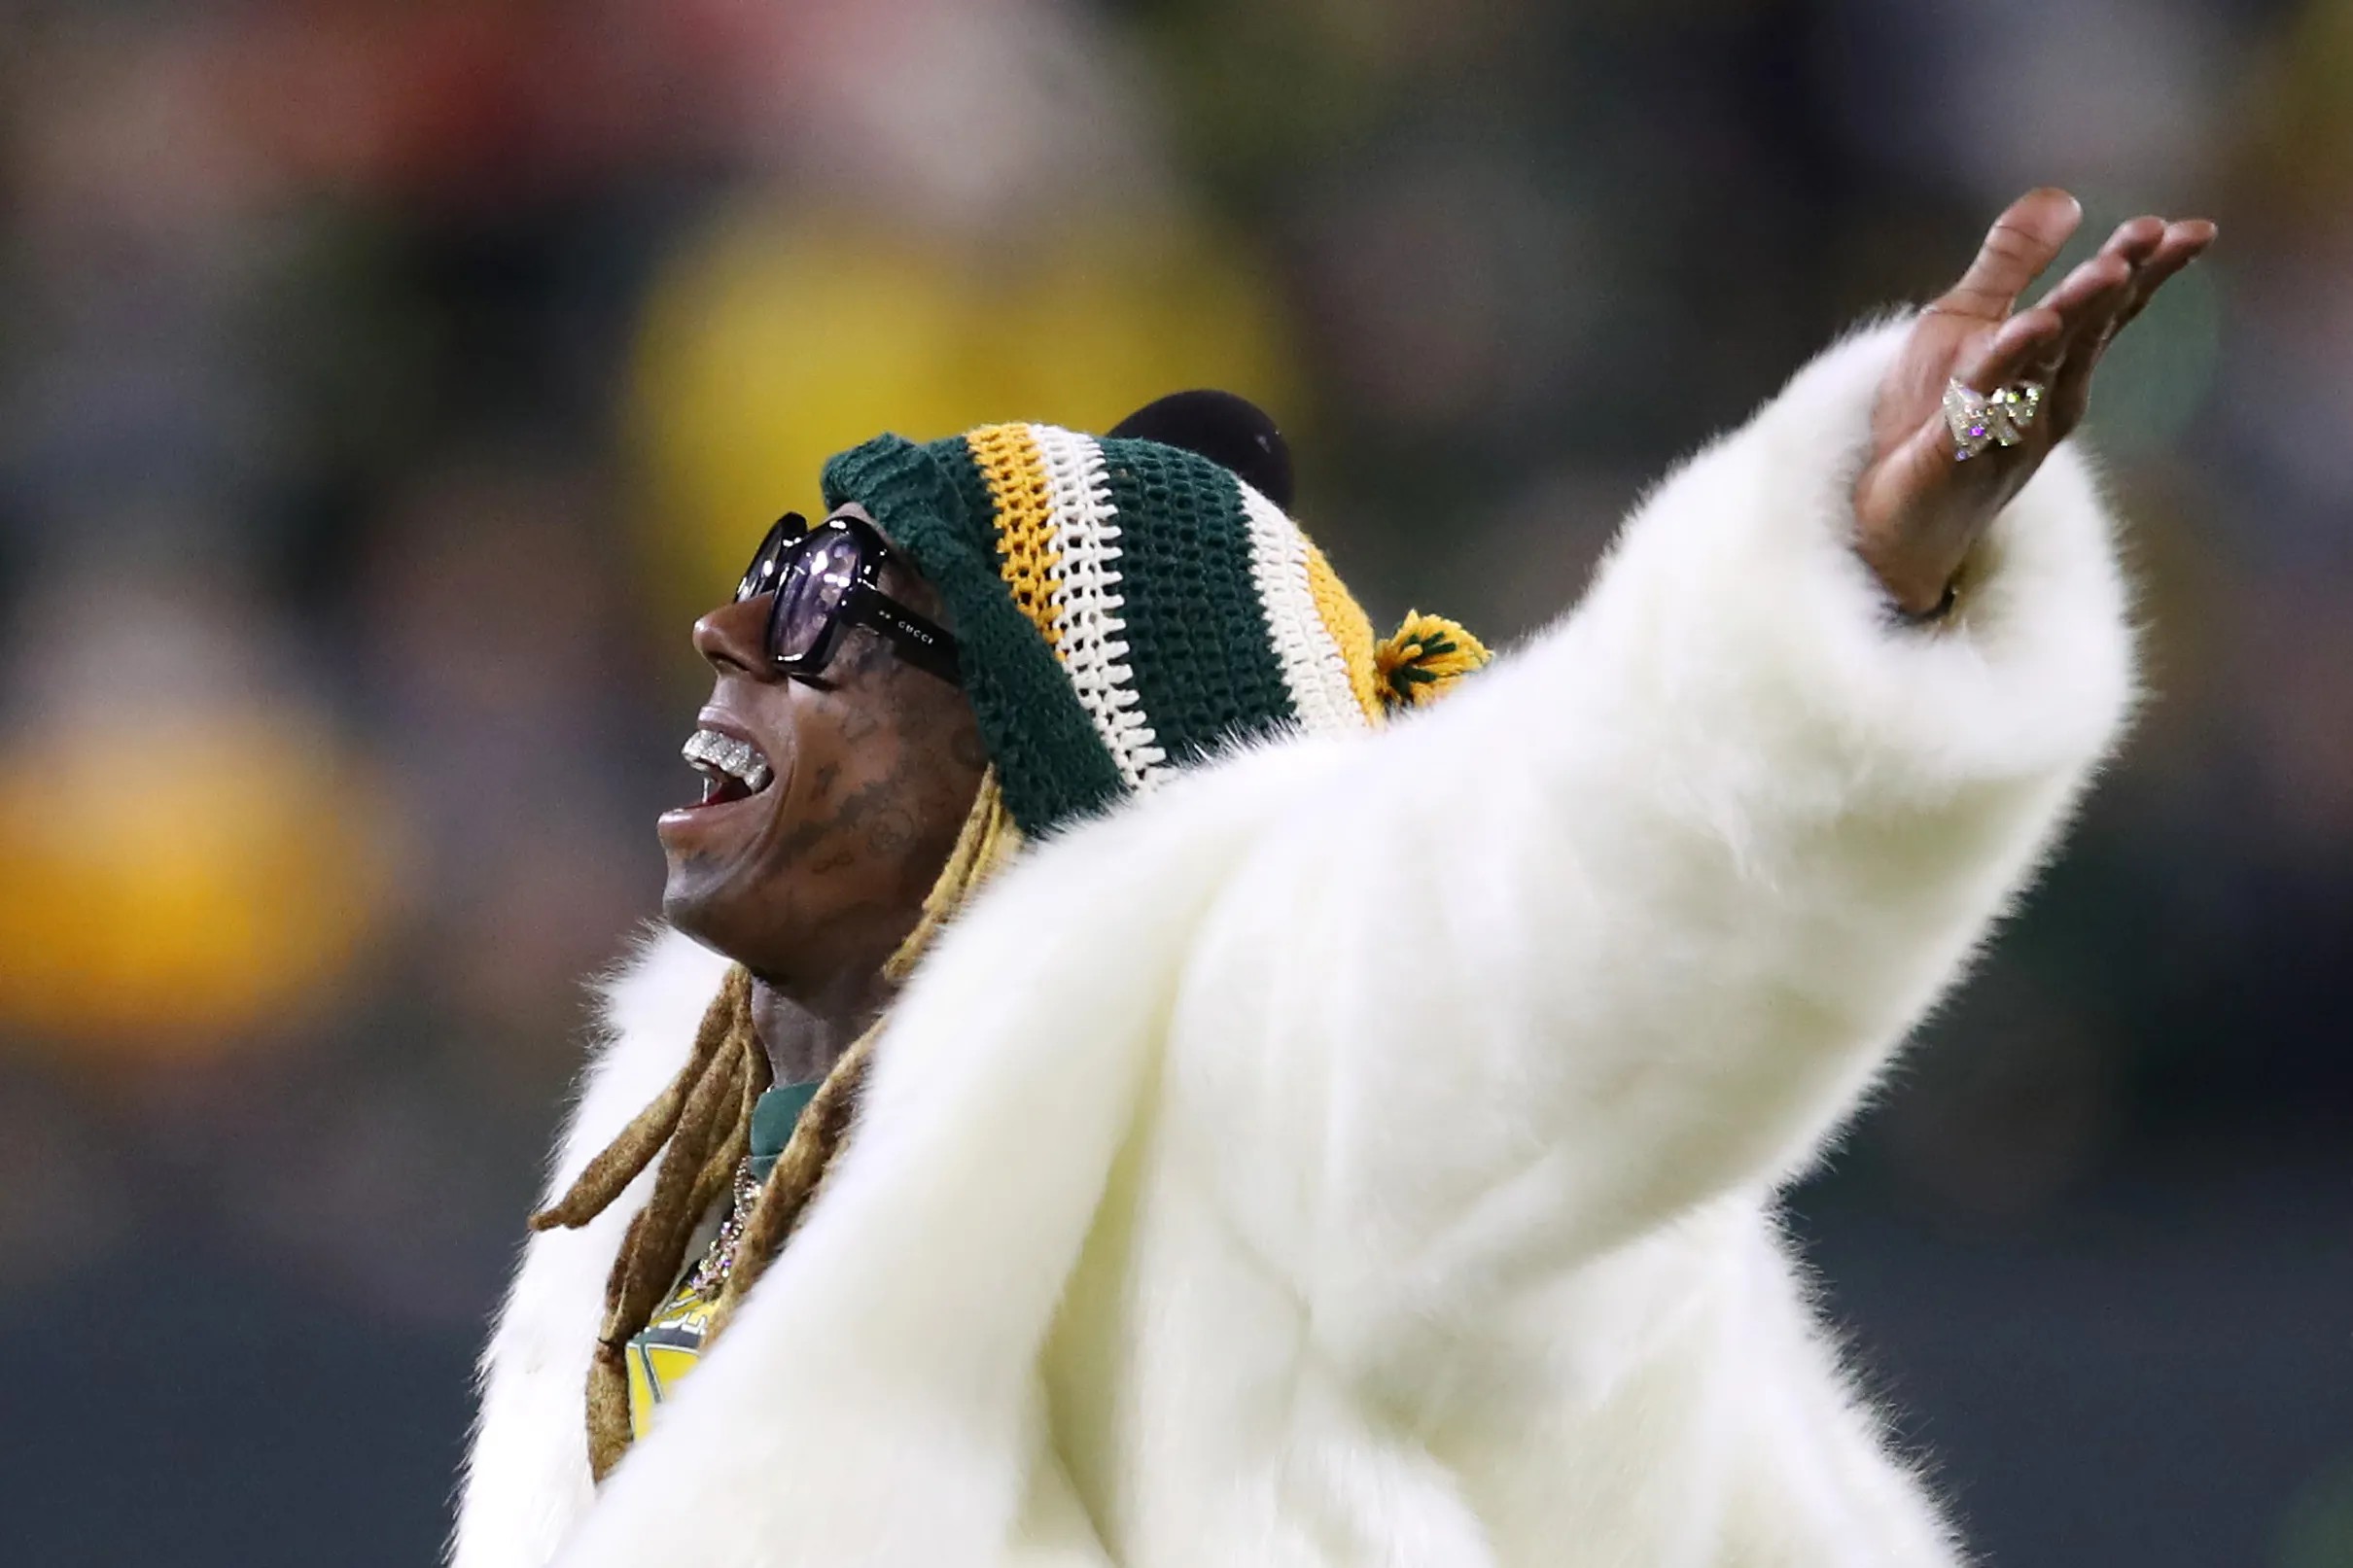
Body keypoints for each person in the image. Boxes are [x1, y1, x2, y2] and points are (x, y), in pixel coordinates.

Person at [452, 190, 2214, 1568]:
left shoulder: (1277, 1141)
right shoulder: (674, 1150)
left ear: (1041, 771)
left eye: (841, 594)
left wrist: (1844, 581)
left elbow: (1578, 910)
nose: (733, 621)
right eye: (782, 558)